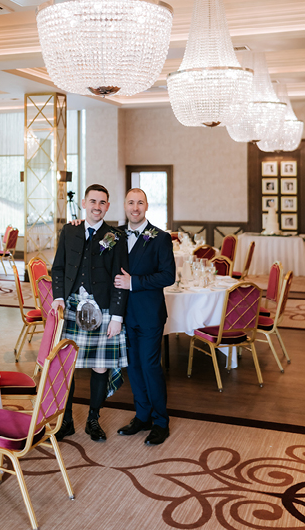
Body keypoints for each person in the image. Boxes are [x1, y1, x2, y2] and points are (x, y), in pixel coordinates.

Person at [51, 184, 129, 442]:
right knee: (67, 367)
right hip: (72, 306)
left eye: (102, 202)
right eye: (92, 201)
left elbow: (120, 277)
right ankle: (66, 420)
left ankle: (93, 419)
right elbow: (59, 268)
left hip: (104, 308)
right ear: (84, 203)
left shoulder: (115, 236)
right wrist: (59, 298)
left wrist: (117, 316)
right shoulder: (70, 230)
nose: (97, 206)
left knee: (100, 366)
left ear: (107, 206)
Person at [114, 188, 175, 446]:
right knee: (134, 367)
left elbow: (168, 276)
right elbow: (91, 243)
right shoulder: (114, 234)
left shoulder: (159, 237)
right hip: (124, 314)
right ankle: (142, 416)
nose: (135, 207)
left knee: (150, 367)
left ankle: (161, 421)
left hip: (150, 314)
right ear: (125, 206)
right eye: (131, 203)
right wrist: (76, 224)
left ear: (147, 206)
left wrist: (134, 282)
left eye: (140, 203)